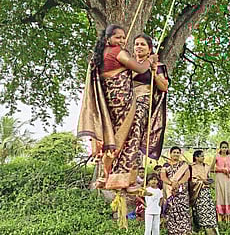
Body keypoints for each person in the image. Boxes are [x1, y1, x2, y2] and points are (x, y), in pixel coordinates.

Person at [78, 24, 158, 191]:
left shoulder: (99, 55)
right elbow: (141, 68)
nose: (122, 40)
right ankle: (123, 179)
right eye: (118, 37)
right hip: (123, 101)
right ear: (108, 39)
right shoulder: (117, 52)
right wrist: (151, 60)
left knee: (113, 139)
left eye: (123, 37)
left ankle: (105, 175)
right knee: (130, 137)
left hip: (109, 104)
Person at [133, 33, 168, 163]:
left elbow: (164, 87)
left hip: (143, 102)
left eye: (142, 44)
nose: (139, 47)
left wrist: (153, 71)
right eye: (136, 44)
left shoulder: (157, 65)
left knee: (135, 126)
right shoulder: (128, 64)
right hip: (125, 101)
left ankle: (132, 162)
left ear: (149, 49)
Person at [160, 146, 192, 235]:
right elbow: (163, 176)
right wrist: (171, 183)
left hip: (182, 191)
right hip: (170, 190)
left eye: (178, 152)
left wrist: (178, 183)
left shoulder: (184, 164)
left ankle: (185, 231)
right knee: (172, 210)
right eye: (174, 152)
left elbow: (187, 176)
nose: (176, 154)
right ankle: (173, 231)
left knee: (183, 210)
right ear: (170, 154)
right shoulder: (166, 165)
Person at [190, 150, 218, 235]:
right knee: (199, 211)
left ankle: (211, 231)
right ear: (196, 157)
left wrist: (208, 181)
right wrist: (202, 181)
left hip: (207, 192)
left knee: (210, 211)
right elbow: (191, 180)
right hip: (197, 192)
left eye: (203, 156)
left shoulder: (206, 166)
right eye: (202, 156)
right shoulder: (192, 167)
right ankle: (198, 229)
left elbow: (209, 177)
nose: (203, 157)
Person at [212, 141, 230, 222]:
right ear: (220, 148)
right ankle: (220, 217)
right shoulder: (216, 156)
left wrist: (229, 170)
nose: (224, 149)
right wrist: (221, 169)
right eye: (222, 147)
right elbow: (211, 169)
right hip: (219, 178)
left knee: (228, 195)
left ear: (227, 148)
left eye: (225, 147)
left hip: (228, 179)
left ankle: (228, 217)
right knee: (220, 196)